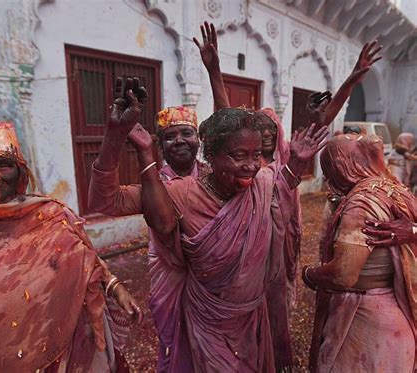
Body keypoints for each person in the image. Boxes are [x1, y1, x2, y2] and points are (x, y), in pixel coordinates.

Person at [89, 76, 328, 372]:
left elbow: (282, 185)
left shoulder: (261, 183)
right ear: (212, 157)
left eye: (256, 155)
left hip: (252, 317)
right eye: (239, 156)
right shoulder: (180, 192)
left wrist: (299, 161)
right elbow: (104, 201)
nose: (251, 165)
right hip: (208, 321)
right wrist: (115, 134)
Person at [194, 21, 382, 371]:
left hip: (276, 245)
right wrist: (214, 71)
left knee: (275, 303)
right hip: (242, 250)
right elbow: (224, 117)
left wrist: (354, 78)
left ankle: (275, 360)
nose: (259, 151)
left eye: (267, 138)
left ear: (276, 138)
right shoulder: (243, 169)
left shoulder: (286, 160)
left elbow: (322, 121)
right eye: (253, 143)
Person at [0, 121, 142, 372]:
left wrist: (114, 287)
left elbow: (87, 258)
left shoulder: (50, 215)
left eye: (2, 165)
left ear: (19, 171)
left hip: (68, 354)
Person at [302, 133, 416, 372]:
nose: (327, 178)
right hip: (395, 321)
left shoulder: (361, 203)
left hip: (367, 324)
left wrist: (309, 275)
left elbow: (343, 275)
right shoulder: (393, 189)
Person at [154, 106, 209, 180]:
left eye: (187, 133)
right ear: (161, 145)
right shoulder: (156, 184)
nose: (179, 141)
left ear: (198, 139)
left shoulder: (213, 178)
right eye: (170, 137)